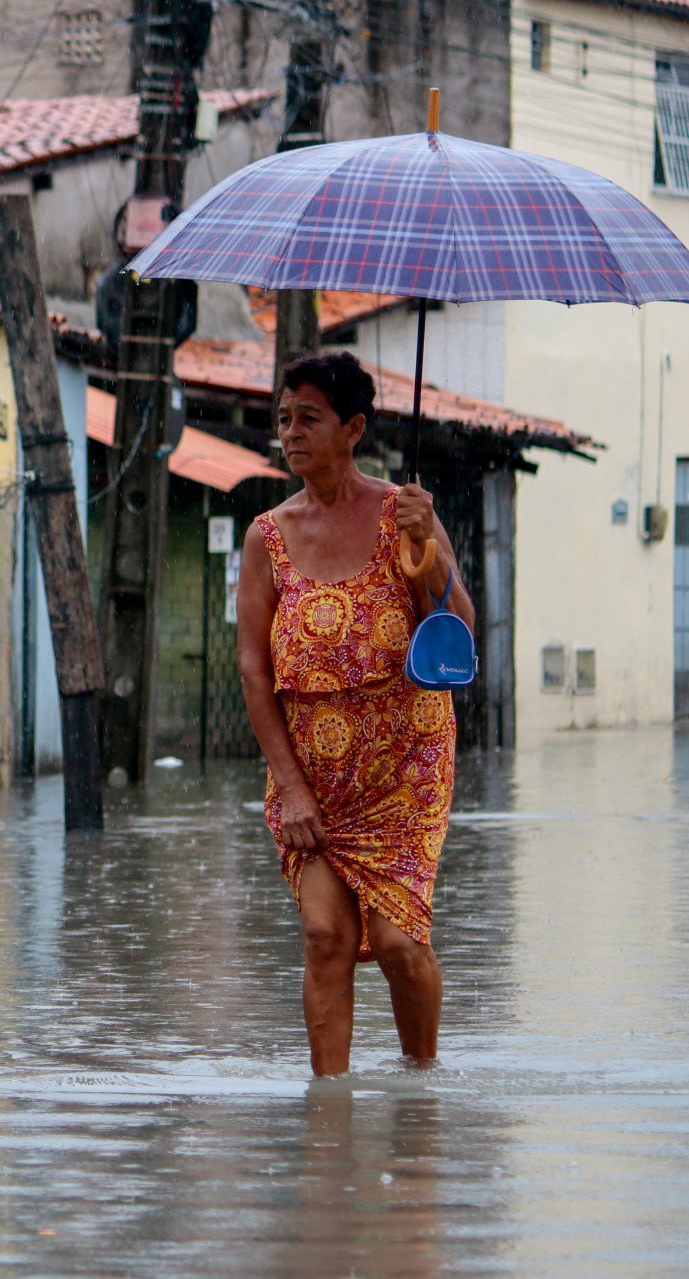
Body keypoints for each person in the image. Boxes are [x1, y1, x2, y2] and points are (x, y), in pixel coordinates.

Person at [236, 352, 475, 1078]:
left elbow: (459, 628)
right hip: (312, 778)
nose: (292, 432)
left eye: (310, 418)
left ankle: (420, 1092)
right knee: (323, 937)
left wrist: (427, 546)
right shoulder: (266, 538)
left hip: (405, 768)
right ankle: (329, 1115)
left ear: (355, 428)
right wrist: (292, 785)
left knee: (401, 946)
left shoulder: (403, 516)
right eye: (284, 419)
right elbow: (253, 667)